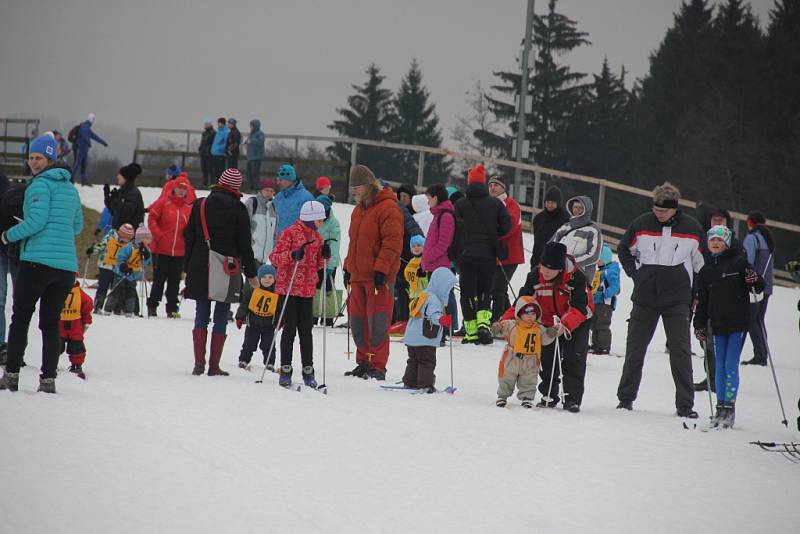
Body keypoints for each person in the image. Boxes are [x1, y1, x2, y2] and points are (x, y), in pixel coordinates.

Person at [0, 133, 83, 394]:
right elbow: (77, 226)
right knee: (50, 322)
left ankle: (11, 374)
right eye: (31, 158)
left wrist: (6, 235)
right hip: (65, 267)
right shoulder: (70, 188)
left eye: (39, 158)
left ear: (50, 159)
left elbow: (35, 222)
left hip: (37, 262)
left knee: (21, 317)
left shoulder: (38, 185)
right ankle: (48, 379)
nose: (34, 163)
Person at [615, 182, 704, 418]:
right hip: (645, 297)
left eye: (663, 211)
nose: (658, 214)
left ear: (674, 208)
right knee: (635, 349)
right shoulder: (642, 223)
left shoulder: (693, 228)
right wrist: (636, 274)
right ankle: (625, 398)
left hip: (677, 299)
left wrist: (697, 294)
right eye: (656, 209)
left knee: (680, 350)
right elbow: (624, 249)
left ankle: (685, 404)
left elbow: (700, 266)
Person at [184, 168, 259, 376]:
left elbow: (188, 237)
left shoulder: (200, 204)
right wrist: (252, 275)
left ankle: (199, 364)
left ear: (218, 183)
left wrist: (186, 268)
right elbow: (245, 245)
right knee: (221, 315)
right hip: (227, 268)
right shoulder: (238, 209)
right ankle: (214, 366)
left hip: (199, 265)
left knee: (201, 314)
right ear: (236, 187)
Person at [694, 225, 763, 428]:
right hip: (717, 323)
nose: (715, 244)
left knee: (730, 365)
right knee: (719, 366)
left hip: (737, 322)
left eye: (720, 241)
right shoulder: (706, 270)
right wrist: (698, 324)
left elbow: (758, 285)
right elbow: (703, 302)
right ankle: (719, 406)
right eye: (712, 240)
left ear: (727, 243)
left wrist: (754, 279)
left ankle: (729, 408)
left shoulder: (739, 262)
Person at [343, 165, 403, 380]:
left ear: (369, 186)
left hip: (378, 278)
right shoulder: (358, 211)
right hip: (358, 276)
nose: (354, 192)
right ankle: (363, 361)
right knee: (358, 322)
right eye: (352, 188)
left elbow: (392, 243)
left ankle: (377, 365)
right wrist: (347, 267)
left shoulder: (388, 208)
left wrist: (381, 270)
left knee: (377, 322)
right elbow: (354, 243)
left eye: (357, 187)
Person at [518, 242, 593, 412]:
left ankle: (572, 399)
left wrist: (565, 325)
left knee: (573, 358)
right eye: (543, 266)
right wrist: (506, 320)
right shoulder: (535, 275)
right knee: (548, 357)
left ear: (560, 269)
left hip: (578, 320)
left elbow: (581, 307)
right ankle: (549, 395)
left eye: (550, 270)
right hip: (548, 321)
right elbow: (523, 302)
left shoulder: (577, 278)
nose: (545, 272)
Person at [269, 200, 326, 388]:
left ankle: (308, 369)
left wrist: (325, 256)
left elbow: (318, 264)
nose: (321, 223)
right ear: (310, 219)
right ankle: (285, 368)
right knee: (289, 329)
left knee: (306, 331)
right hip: (289, 288)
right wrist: (292, 256)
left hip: (307, 290)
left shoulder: (317, 238)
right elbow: (274, 257)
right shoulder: (290, 233)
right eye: (319, 220)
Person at [454, 164, 511, 345]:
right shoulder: (495, 204)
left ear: (469, 183)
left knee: (468, 292)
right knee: (486, 290)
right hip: (487, 254)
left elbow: (454, 228)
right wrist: (493, 234)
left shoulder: (461, 204)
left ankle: (470, 332)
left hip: (466, 254)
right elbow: (506, 226)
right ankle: (484, 326)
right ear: (484, 183)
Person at [491, 296, 556, 408]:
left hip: (531, 360)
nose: (530, 316)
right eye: (526, 313)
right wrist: (496, 328)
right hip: (511, 358)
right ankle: (502, 396)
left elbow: (545, 340)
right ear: (519, 313)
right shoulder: (511, 325)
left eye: (533, 313)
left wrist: (551, 333)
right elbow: (500, 329)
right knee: (506, 378)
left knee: (529, 380)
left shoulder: (539, 328)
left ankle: (527, 397)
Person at [146, 174, 196, 317]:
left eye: (184, 189)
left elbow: (191, 227)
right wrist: (159, 236)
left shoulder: (188, 208)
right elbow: (152, 219)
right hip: (161, 248)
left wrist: (188, 237)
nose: (181, 191)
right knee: (159, 280)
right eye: (179, 188)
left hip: (180, 251)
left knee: (174, 281)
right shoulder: (163, 202)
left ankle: (172, 308)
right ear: (174, 188)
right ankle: (152, 305)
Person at [401, 267, 456, 392]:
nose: (447, 291)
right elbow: (433, 315)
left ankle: (410, 382)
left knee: (414, 360)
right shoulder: (434, 300)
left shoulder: (423, 294)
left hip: (412, 336)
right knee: (427, 361)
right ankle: (425, 385)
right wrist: (442, 319)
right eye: (447, 288)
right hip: (425, 337)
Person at [421, 183, 459, 338]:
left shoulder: (446, 216)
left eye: (429, 198)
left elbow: (444, 243)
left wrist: (428, 257)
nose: (428, 201)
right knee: (437, 298)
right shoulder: (439, 214)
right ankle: (440, 328)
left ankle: (446, 328)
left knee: (444, 299)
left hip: (441, 265)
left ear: (436, 197)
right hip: (434, 263)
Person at [488, 175, 524, 322]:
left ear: (503, 188)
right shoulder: (489, 204)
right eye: (490, 185)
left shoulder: (512, 205)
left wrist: (492, 236)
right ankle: (510, 319)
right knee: (500, 289)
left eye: (496, 185)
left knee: (497, 289)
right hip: (493, 254)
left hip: (509, 255)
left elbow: (510, 226)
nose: (492, 188)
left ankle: (496, 321)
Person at [741, 211, 775, 366]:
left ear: (749, 222)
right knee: (759, 319)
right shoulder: (768, 239)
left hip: (755, 286)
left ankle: (760, 354)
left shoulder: (752, 238)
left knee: (751, 319)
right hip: (767, 285)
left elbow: (748, 261)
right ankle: (763, 352)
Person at [388, 190, 423, 335]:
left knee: (405, 287)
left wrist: (419, 247)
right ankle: (397, 319)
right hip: (396, 252)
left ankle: (405, 319)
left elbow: (412, 226)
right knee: (397, 286)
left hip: (407, 253)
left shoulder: (397, 208)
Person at [235, 264, 278, 371]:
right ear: (259, 278)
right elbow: (244, 304)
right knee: (249, 343)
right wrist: (240, 317)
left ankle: (269, 362)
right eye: (264, 277)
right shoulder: (253, 290)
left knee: (269, 345)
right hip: (253, 323)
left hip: (269, 325)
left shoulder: (277, 293)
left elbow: (280, 308)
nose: (267, 280)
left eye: (270, 277)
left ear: (274, 279)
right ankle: (244, 360)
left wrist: (280, 320)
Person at [550, 195, 603, 282]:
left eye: (581, 208)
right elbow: (551, 246)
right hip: (559, 272)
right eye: (575, 207)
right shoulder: (565, 227)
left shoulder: (593, 230)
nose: (577, 210)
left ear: (587, 210)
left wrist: (571, 263)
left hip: (581, 276)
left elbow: (594, 256)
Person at [105, 225, 152, 316]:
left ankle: (129, 311)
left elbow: (146, 263)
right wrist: (123, 266)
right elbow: (120, 258)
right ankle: (109, 308)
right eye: (147, 238)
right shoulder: (130, 247)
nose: (149, 241)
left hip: (133, 276)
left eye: (149, 239)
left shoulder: (146, 250)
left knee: (131, 293)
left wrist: (146, 256)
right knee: (116, 291)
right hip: (121, 273)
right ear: (140, 239)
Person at [91, 224, 133, 312]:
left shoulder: (128, 244)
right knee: (103, 286)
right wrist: (93, 250)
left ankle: (115, 307)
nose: (125, 241)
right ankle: (98, 306)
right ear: (120, 233)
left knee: (116, 288)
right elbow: (101, 245)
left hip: (117, 269)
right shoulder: (110, 237)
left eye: (128, 240)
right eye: (124, 238)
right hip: (105, 266)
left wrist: (128, 266)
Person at [59, 275, 93, 379]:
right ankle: (54, 363)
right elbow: (88, 304)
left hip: (71, 325)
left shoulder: (58, 289)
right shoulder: (79, 293)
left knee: (76, 346)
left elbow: (87, 305)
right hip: (68, 325)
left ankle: (76, 365)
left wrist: (87, 320)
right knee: (59, 345)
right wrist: (87, 321)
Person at [314, 194, 341, 326]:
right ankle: (313, 316)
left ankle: (328, 317)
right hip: (314, 262)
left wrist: (330, 264)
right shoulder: (313, 219)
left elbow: (335, 245)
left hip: (328, 261)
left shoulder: (333, 223)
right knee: (315, 288)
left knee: (328, 288)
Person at [589, 244, 620, 355]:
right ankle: (596, 344)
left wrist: (606, 293)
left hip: (605, 304)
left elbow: (616, 287)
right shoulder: (600, 271)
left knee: (602, 324)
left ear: (605, 259)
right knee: (594, 323)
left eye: (599, 260)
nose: (597, 262)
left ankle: (603, 346)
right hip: (596, 302)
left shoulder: (611, 271)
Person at [531, 186, 570, 268]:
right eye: (547, 202)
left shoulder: (566, 219)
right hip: (538, 260)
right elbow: (537, 242)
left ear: (558, 203)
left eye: (552, 202)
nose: (549, 205)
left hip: (556, 262)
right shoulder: (539, 218)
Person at [273, 164, 314, 238]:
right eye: (277, 180)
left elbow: (313, 225)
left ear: (289, 179)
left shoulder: (306, 198)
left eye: (281, 180)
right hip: (278, 244)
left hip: (297, 244)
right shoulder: (278, 197)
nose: (278, 183)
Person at [246, 178, 278, 265]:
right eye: (266, 190)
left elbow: (275, 233)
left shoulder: (274, 208)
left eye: (271, 191)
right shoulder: (252, 202)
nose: (269, 193)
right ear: (261, 190)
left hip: (265, 258)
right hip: (251, 254)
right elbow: (244, 226)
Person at [104, 162, 145, 230]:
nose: (117, 177)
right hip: (120, 232)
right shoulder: (122, 191)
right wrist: (107, 197)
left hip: (129, 235)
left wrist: (116, 200)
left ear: (126, 177)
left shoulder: (133, 193)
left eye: (120, 174)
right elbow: (114, 212)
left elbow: (124, 216)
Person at [71, 113, 108, 186]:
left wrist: (103, 143)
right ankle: (71, 178)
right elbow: (86, 135)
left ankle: (83, 180)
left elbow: (94, 136)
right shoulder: (85, 127)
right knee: (78, 164)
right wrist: (88, 142)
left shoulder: (86, 127)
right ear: (91, 119)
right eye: (93, 119)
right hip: (81, 148)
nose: (93, 121)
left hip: (84, 148)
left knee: (83, 164)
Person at [404, 235, 428, 300]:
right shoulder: (411, 261)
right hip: (413, 296)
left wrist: (424, 274)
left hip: (425, 295)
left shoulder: (426, 259)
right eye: (413, 246)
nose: (416, 248)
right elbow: (406, 275)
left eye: (419, 245)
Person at [244, 119, 265, 191]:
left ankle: (256, 188)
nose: (251, 127)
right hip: (250, 157)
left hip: (256, 157)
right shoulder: (251, 134)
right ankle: (251, 187)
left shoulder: (260, 133)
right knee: (248, 173)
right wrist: (246, 143)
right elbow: (247, 141)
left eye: (252, 126)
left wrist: (251, 141)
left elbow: (261, 141)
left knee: (255, 173)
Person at [210, 118, 229, 182]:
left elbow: (225, 143)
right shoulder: (218, 132)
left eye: (220, 123)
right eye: (218, 123)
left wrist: (219, 149)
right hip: (214, 153)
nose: (218, 124)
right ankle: (214, 183)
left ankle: (220, 183)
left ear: (223, 123)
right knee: (214, 170)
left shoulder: (225, 132)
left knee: (220, 171)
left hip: (220, 154)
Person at [199, 119, 216, 187]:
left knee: (211, 169)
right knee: (204, 169)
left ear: (210, 125)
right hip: (203, 153)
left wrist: (209, 150)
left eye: (207, 124)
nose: (206, 125)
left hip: (209, 154)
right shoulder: (204, 133)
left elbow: (213, 143)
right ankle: (204, 183)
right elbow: (202, 142)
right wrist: (200, 148)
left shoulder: (213, 133)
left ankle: (212, 183)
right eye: (205, 124)